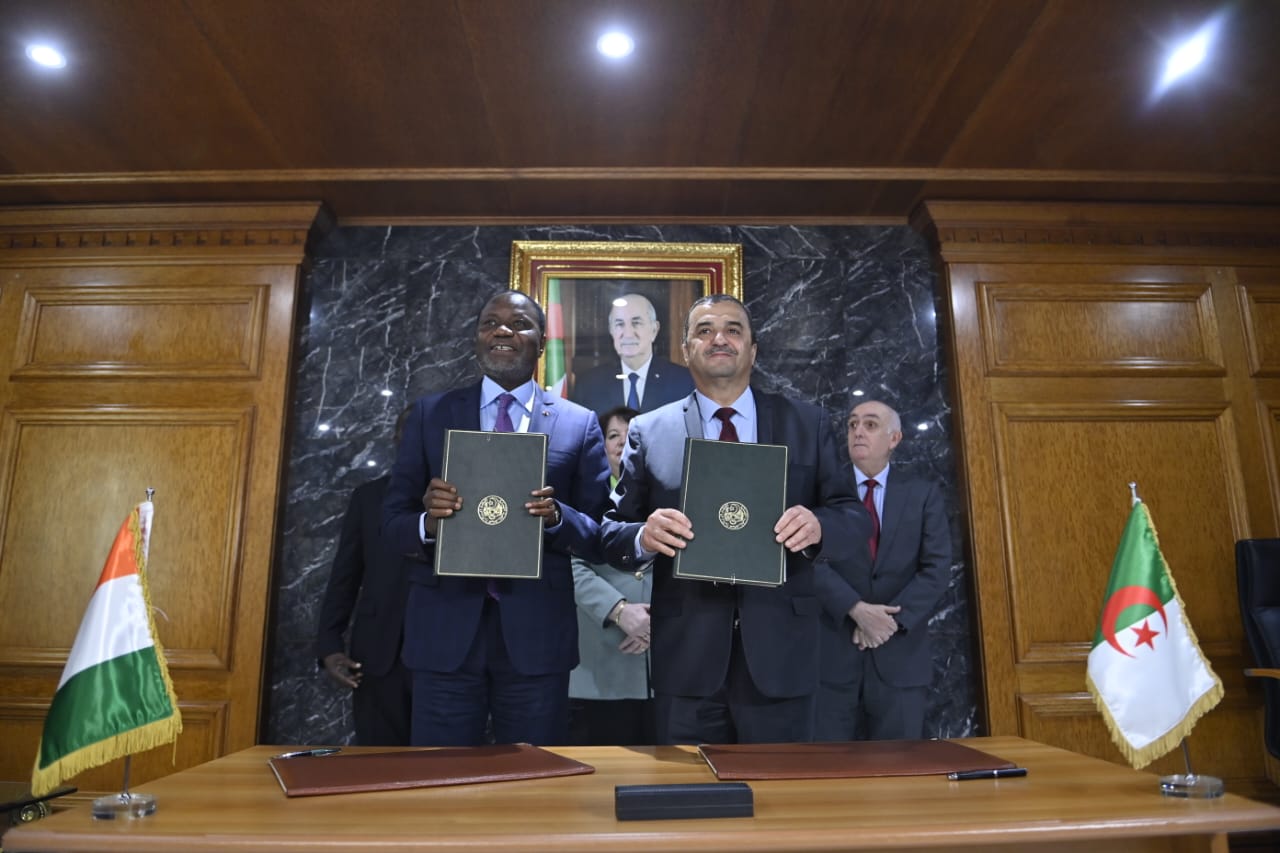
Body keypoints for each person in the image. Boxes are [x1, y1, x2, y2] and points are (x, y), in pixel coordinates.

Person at [601, 293, 865, 744]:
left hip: (783, 655)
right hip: (687, 659)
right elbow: (611, 532)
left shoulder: (807, 423)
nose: (719, 339)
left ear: (753, 350)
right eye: (704, 331)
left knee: (779, 787)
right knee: (687, 788)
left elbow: (852, 517)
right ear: (686, 351)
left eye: (733, 330)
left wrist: (820, 527)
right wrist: (644, 536)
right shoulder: (650, 430)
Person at [382, 290, 612, 747]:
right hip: (444, 637)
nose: (502, 331)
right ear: (477, 338)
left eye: (519, 323)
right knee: (440, 777)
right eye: (490, 323)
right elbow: (391, 526)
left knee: (534, 778)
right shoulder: (431, 415)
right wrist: (428, 523)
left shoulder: (577, 422)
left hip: (536, 641)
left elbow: (600, 534)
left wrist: (557, 518)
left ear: (541, 343)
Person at [813, 399, 951, 741]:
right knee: (827, 767)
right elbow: (807, 559)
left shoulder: (922, 494)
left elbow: (936, 569)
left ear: (894, 438)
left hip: (900, 660)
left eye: (870, 424)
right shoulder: (821, 492)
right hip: (831, 662)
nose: (858, 431)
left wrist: (886, 624)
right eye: (852, 424)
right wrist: (855, 609)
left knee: (898, 768)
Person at [314, 408, 414, 745]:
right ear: (395, 438)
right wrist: (329, 646)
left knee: (439, 765)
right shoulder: (369, 498)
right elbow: (345, 575)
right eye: (408, 432)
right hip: (376, 658)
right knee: (378, 763)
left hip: (445, 664)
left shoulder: (465, 501)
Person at [568, 405, 655, 745]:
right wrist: (619, 610)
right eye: (613, 435)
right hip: (603, 657)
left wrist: (658, 621)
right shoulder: (583, 498)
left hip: (664, 660)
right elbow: (569, 565)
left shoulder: (676, 492)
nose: (622, 442)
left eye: (631, 434)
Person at [572, 292, 693, 414]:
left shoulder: (683, 382)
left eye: (636, 323)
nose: (628, 334)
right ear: (611, 330)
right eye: (619, 324)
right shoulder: (589, 385)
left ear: (654, 330)